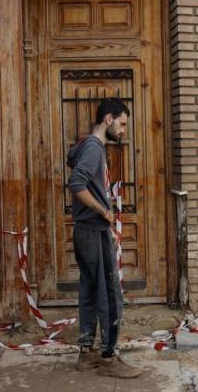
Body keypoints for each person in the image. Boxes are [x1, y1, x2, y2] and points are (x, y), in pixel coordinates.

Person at [67, 97, 141, 378]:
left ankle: (86, 355)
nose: (123, 131)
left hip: (84, 231)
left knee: (88, 290)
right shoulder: (94, 148)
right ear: (108, 119)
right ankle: (109, 357)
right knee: (110, 295)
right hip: (94, 230)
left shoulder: (86, 145)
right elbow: (76, 184)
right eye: (121, 124)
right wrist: (104, 212)